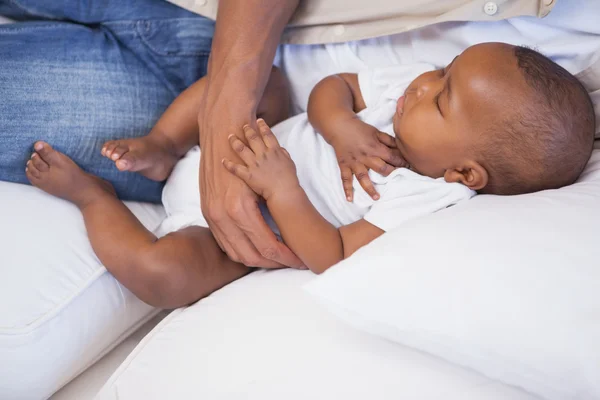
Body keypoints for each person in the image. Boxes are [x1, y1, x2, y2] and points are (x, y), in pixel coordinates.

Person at [4, 0, 600, 274]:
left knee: (167, 276)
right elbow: (332, 89)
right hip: (242, 91)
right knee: (266, 90)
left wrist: (283, 189)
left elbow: (333, 256)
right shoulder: (407, 96)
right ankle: (163, 144)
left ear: (464, 174)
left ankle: (93, 200)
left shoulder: (429, 199)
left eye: (441, 95)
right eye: (443, 70)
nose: (423, 83)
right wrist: (339, 126)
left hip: (232, 225)